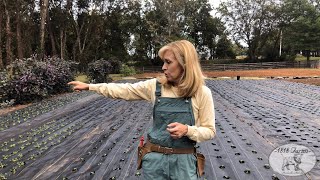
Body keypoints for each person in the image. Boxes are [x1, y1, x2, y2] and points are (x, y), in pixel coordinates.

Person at [68, 40, 215, 179]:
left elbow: (209, 131)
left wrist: (187, 130)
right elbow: (125, 90)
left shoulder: (202, 93)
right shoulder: (156, 86)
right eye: (163, 62)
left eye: (168, 62)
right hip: (155, 161)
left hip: (184, 164)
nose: (163, 67)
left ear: (185, 64)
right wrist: (90, 86)